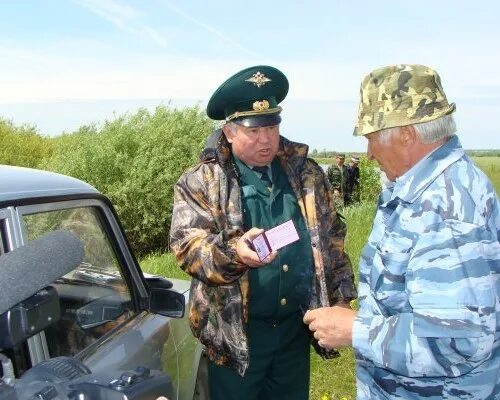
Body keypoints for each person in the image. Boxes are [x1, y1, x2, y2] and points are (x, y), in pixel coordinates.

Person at [303, 64, 500, 399]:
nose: (368, 154)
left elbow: (460, 342)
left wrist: (355, 330)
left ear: (406, 134)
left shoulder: (445, 208)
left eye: (371, 139)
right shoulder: (419, 189)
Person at [169, 65, 357, 400]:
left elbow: (331, 240)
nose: (266, 139)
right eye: (253, 131)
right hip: (237, 336)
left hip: (293, 333)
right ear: (229, 132)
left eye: (272, 127)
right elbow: (188, 247)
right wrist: (234, 253)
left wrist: (341, 300)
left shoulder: (307, 174)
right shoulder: (201, 180)